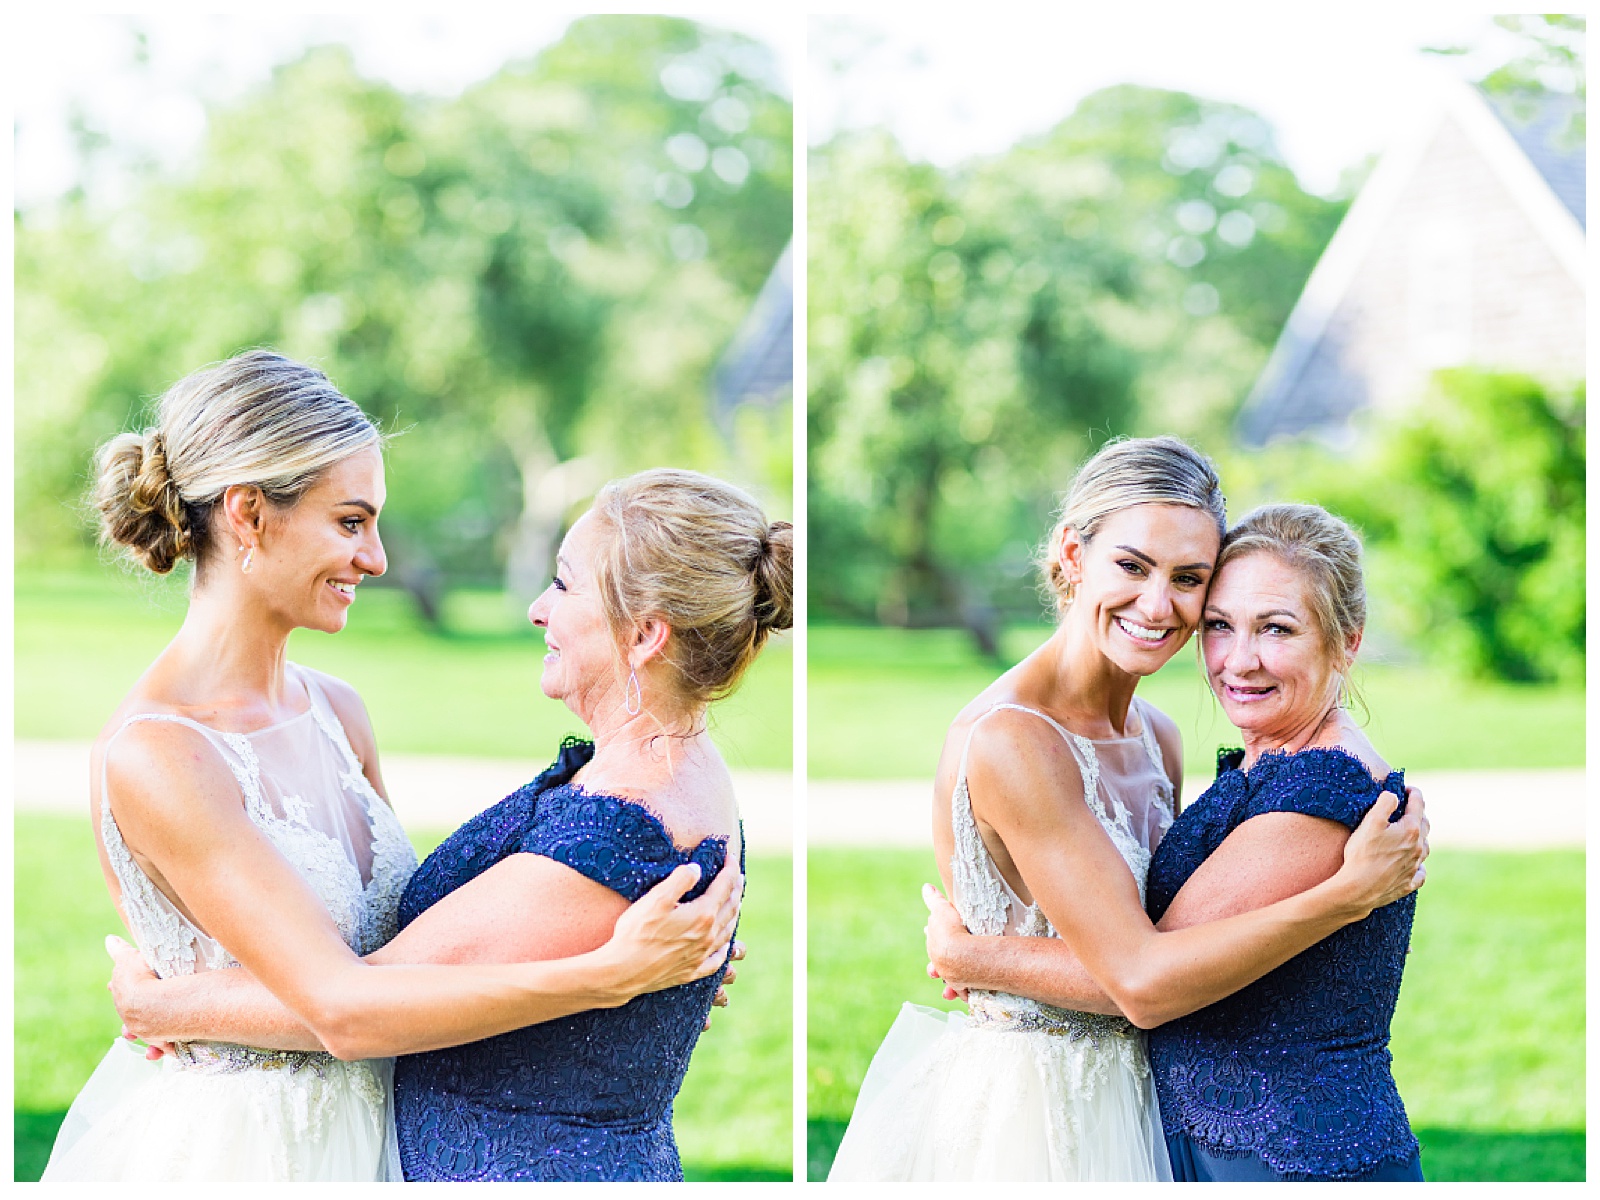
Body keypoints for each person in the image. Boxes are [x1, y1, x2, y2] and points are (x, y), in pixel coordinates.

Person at [45, 352, 746, 1182]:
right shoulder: (161, 754)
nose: (375, 559)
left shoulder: (339, 712)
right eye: (350, 522)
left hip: (385, 1132)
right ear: (248, 515)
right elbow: (342, 1004)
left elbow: (410, 953)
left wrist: (623, 978)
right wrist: (604, 975)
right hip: (258, 1155)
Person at [828, 437, 1426, 1182]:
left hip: (1147, 1105)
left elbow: (1151, 953)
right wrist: (971, 959)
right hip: (1037, 1115)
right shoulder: (1015, 740)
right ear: (1073, 556)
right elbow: (1140, 971)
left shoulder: (1158, 737)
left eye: (1188, 579)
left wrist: (975, 957)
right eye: (1132, 566)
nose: (1158, 604)